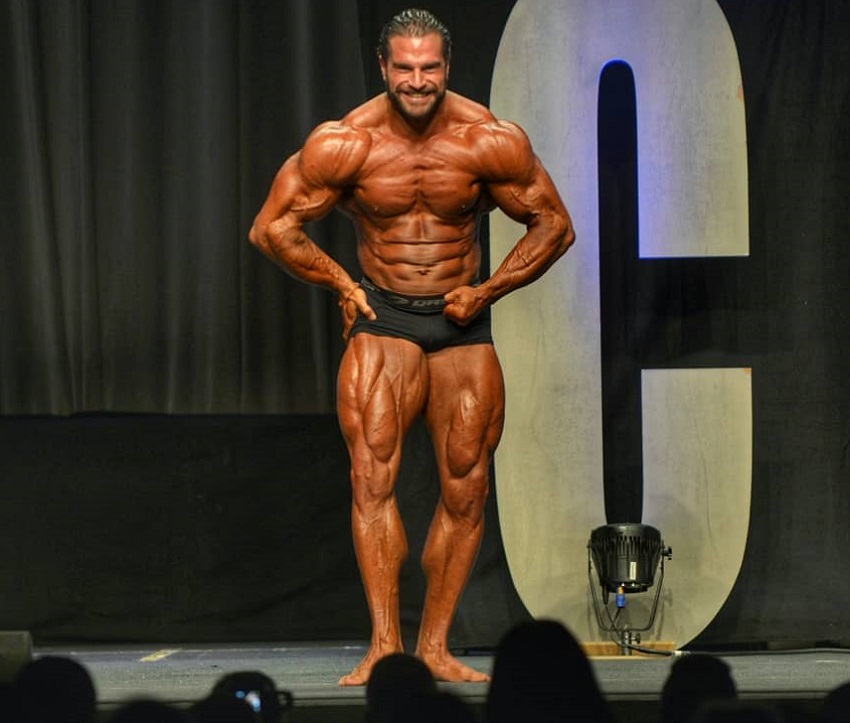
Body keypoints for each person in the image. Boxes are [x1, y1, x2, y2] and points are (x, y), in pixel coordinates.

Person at [249, 8, 574, 686]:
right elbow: (272, 227)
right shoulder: (347, 143)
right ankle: (384, 647)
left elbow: (554, 224)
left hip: (462, 322)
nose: (418, 82)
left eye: (429, 68)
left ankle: (433, 646)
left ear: (447, 67)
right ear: (383, 66)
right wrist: (341, 281)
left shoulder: (488, 139)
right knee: (372, 481)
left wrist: (486, 293)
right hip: (385, 317)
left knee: (469, 487)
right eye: (405, 69)